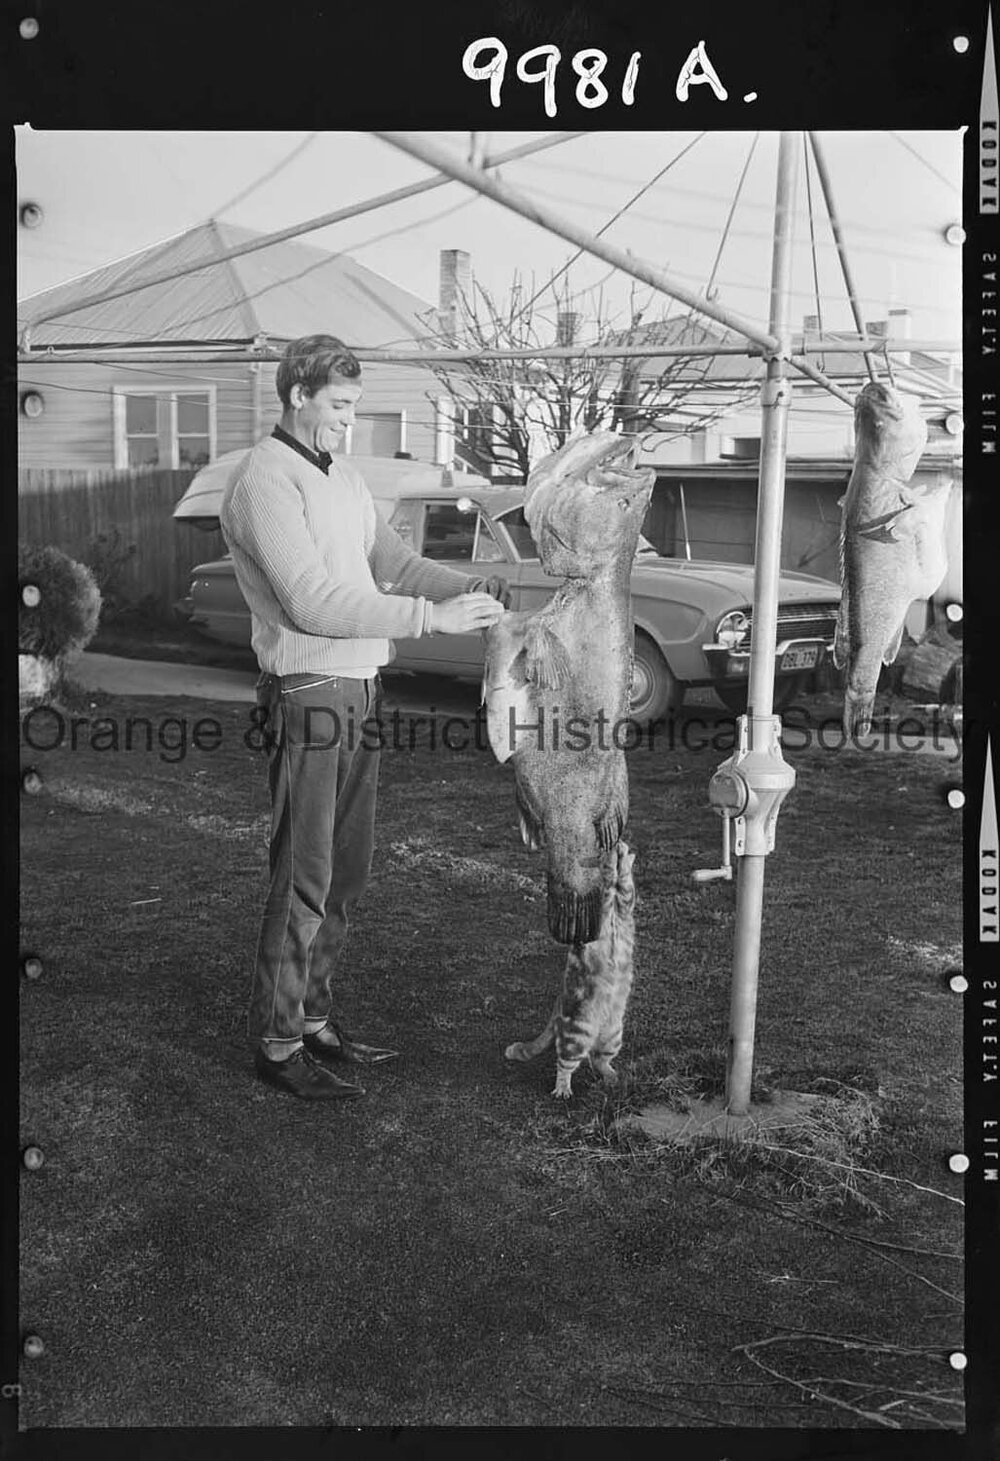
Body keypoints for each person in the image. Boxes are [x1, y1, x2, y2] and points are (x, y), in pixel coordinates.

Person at [220, 334, 508, 1101]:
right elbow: (311, 602)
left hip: (362, 691)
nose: (349, 421)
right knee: (304, 874)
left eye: (354, 405)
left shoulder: (341, 477)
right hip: (310, 690)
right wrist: (429, 618)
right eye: (339, 406)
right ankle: (278, 1046)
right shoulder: (264, 482)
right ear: (297, 395)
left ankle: (313, 1017)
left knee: (347, 872)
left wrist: (473, 588)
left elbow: (395, 562)